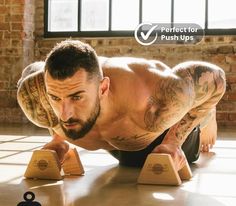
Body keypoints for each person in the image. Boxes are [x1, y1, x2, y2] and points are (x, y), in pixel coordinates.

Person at [17, 40, 226, 171]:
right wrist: (57, 138)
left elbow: (217, 80)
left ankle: (207, 119)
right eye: (55, 98)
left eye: (77, 97)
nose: (64, 114)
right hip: (115, 137)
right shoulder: (36, 89)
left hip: (159, 133)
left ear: (103, 88)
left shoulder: (153, 97)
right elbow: (55, 95)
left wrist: (173, 142)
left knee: (187, 100)